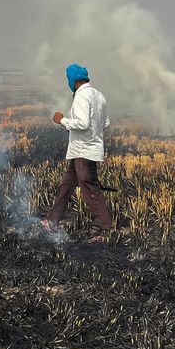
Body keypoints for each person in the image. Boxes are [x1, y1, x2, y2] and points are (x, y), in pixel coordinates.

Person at [42, 64, 114, 240]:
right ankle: (51, 222)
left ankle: (105, 228)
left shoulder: (81, 96)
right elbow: (105, 123)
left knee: (90, 189)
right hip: (83, 150)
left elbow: (82, 123)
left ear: (73, 79)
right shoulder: (99, 95)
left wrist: (62, 120)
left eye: (68, 79)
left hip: (83, 151)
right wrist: (93, 132)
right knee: (66, 186)